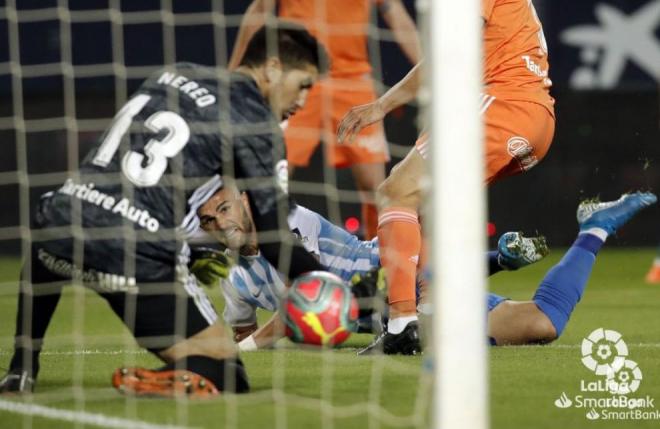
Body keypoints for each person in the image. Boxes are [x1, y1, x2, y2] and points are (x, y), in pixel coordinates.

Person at [0, 23, 330, 398]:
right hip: (134, 251)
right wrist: (330, 280)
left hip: (62, 221)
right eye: (304, 84)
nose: (304, 100)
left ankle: (22, 367)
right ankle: (170, 376)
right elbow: (272, 239)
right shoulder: (255, 121)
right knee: (228, 374)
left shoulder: (174, 73)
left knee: (52, 225)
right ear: (272, 67)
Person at [195, 183, 660, 352]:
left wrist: (254, 345)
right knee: (541, 324)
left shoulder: (289, 221)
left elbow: (325, 290)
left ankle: (591, 230)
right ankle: (590, 228)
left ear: (244, 201)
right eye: (209, 220)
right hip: (397, 311)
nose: (219, 222)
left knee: (543, 323)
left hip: (397, 273)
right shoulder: (237, 283)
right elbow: (246, 338)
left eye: (223, 208)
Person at [337, 0, 556, 354]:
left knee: (396, 191)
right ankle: (429, 318)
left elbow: (450, 56)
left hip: (502, 104)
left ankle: (402, 322)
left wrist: (381, 105)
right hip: (533, 116)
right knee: (428, 209)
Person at [228, 0, 421, 239]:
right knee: (268, 177)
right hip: (296, 77)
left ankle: (380, 264)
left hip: (352, 80)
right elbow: (259, 10)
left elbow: (397, 17)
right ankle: (257, 259)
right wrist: (232, 77)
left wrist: (430, 73)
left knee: (376, 189)